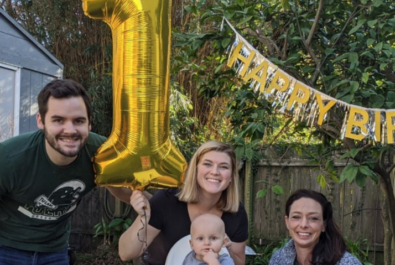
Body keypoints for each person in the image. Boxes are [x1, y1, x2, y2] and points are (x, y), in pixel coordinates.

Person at [0, 79, 133, 265]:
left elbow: (121, 190)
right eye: (58, 120)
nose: (70, 130)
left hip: (55, 250)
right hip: (6, 248)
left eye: (78, 121)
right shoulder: (9, 158)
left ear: (89, 124)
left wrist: (169, 207)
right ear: (41, 121)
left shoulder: (102, 153)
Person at [119, 141, 248, 265]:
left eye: (223, 167)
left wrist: (228, 249)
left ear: (231, 176)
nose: (215, 171)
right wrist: (143, 217)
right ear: (195, 169)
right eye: (207, 164)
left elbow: (239, 262)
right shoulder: (167, 200)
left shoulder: (236, 213)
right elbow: (125, 254)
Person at [269, 189, 362, 265]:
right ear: (287, 222)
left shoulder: (347, 263)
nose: (303, 225)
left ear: (324, 225)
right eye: (296, 217)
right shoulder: (277, 259)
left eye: (313, 218)